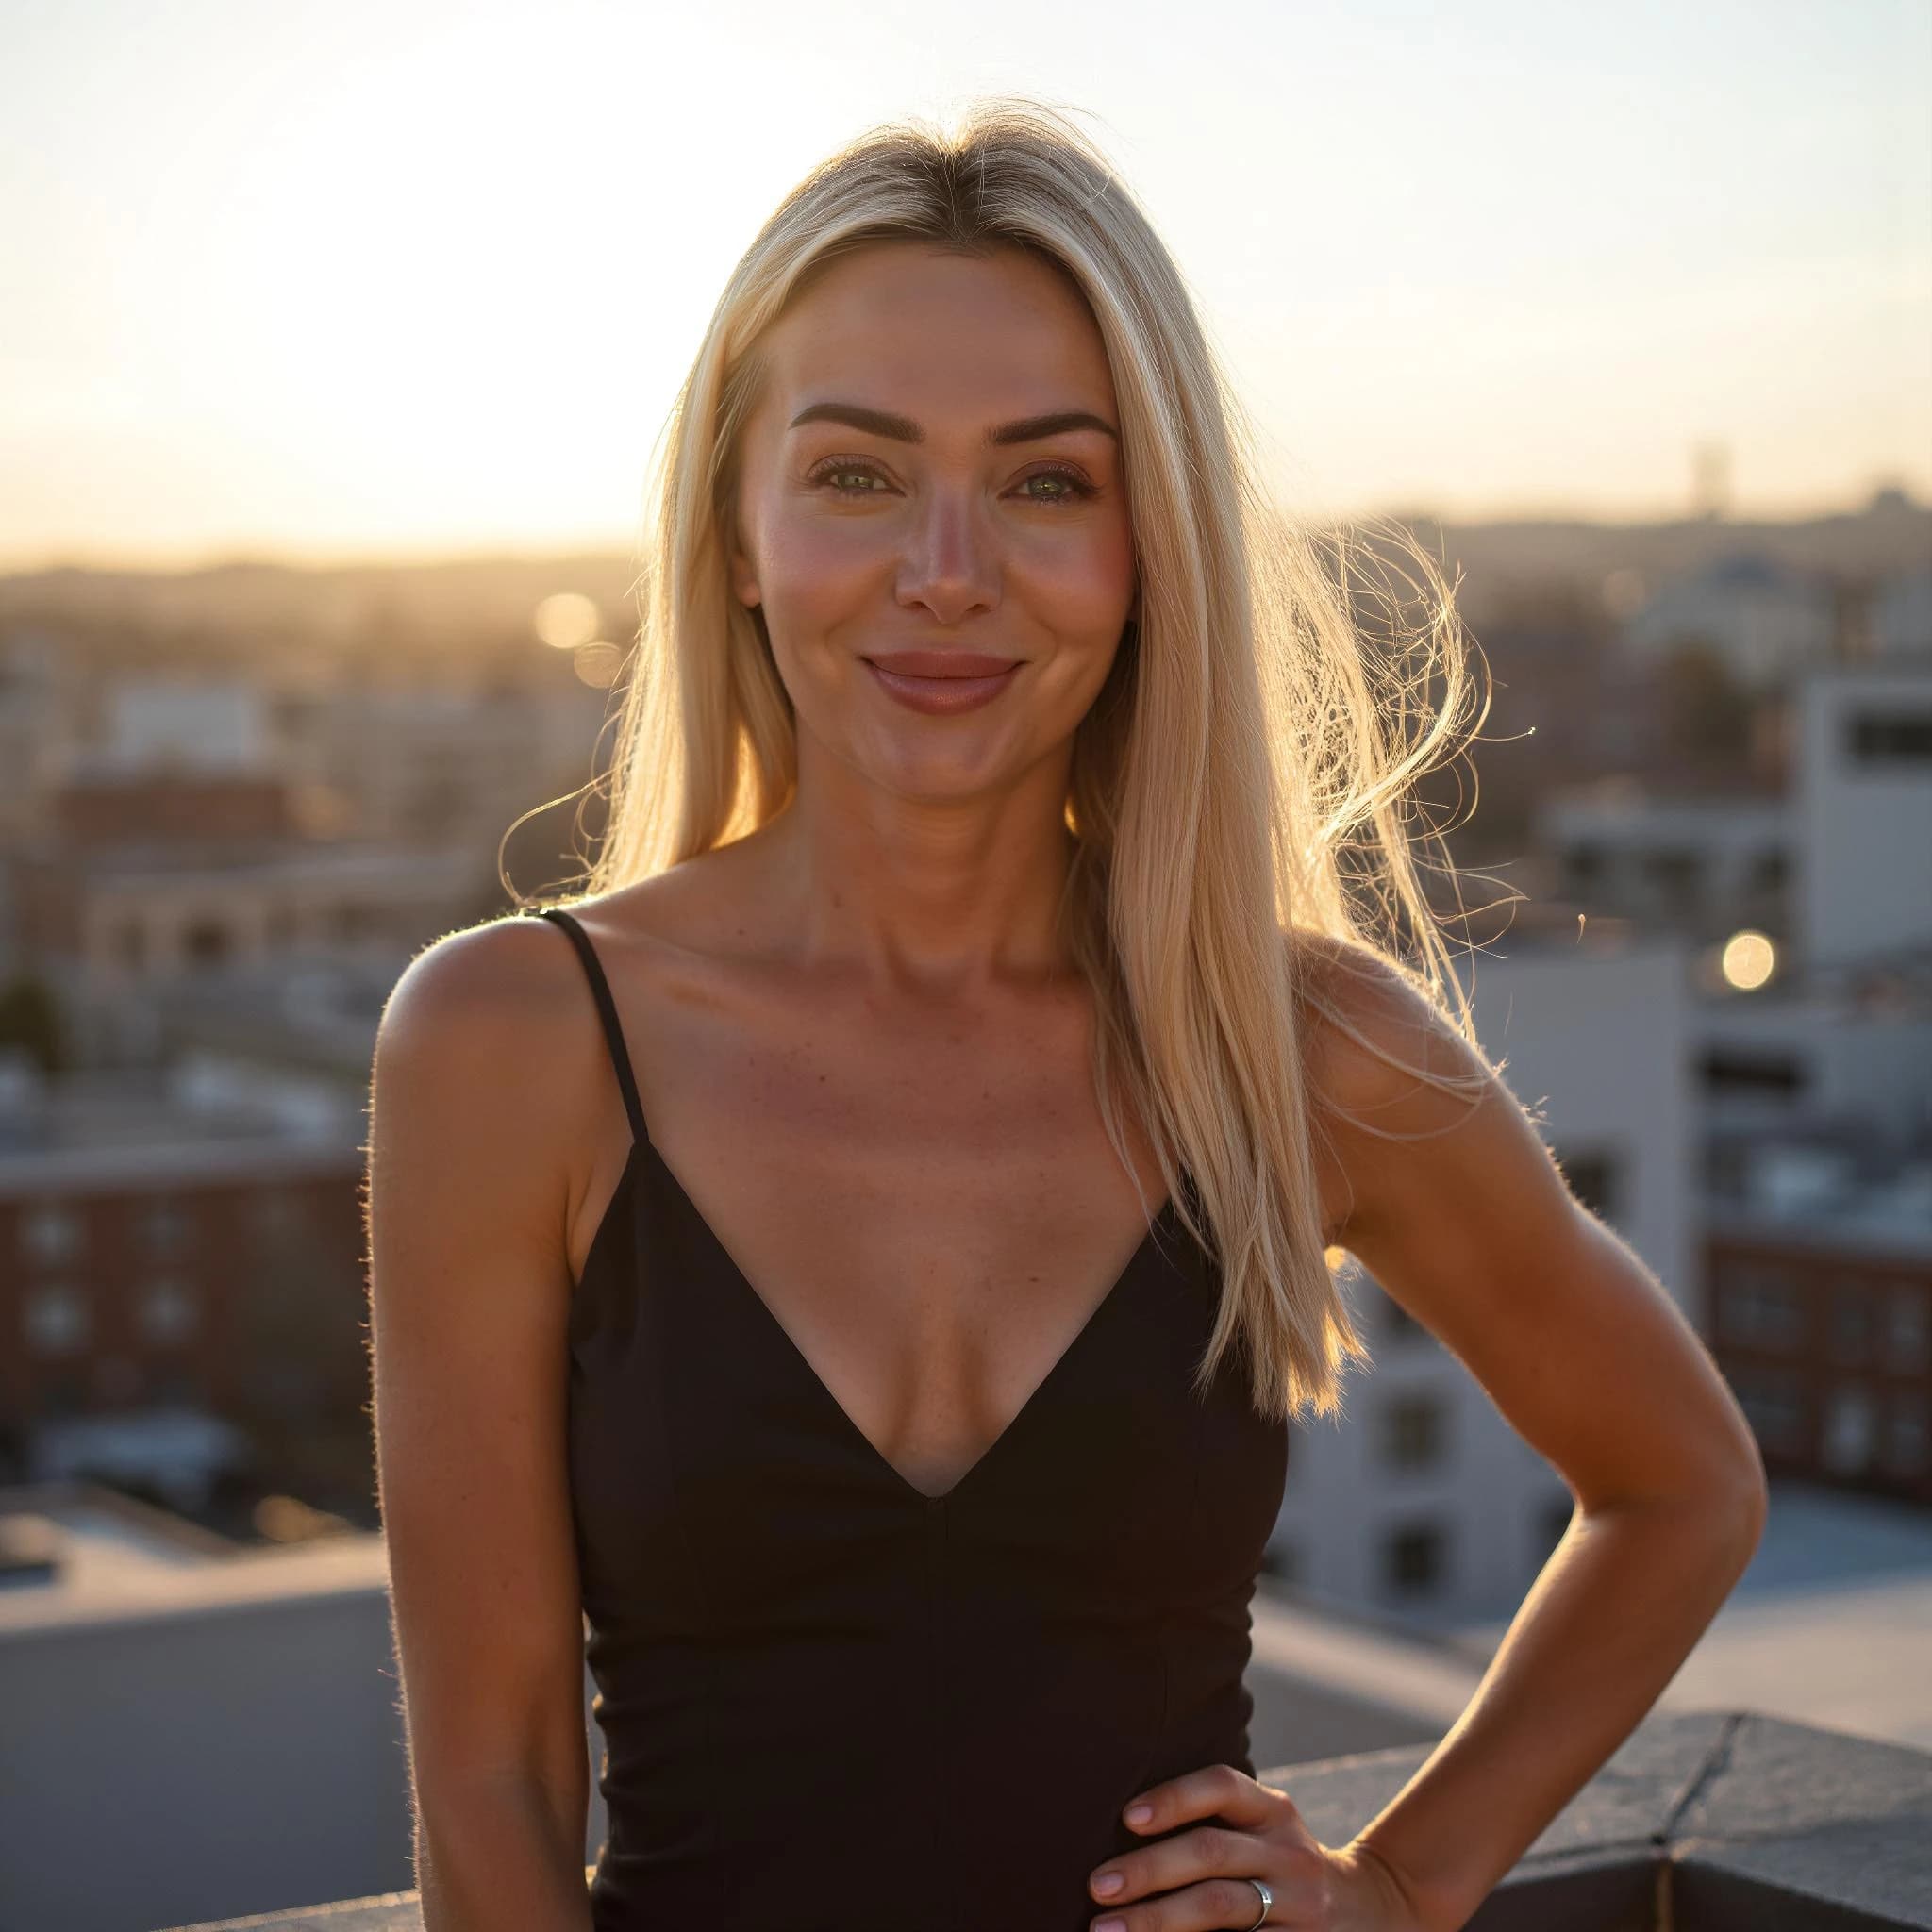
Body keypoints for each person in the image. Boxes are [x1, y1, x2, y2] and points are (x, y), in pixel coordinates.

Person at [365, 97, 1769, 1932]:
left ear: (1148, 544)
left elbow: (1680, 1483)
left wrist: (1403, 1889)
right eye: (856, 475)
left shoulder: (1300, 1048)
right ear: (736, 532)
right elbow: (492, 1779)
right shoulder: (511, 1043)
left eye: (1047, 483)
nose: (947, 567)